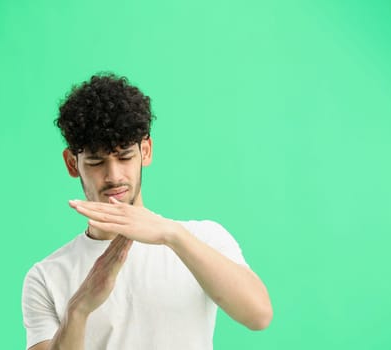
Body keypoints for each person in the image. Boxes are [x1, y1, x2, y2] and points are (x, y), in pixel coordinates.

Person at [21, 73, 273, 350]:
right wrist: (78, 310)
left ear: (146, 150)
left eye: (125, 156)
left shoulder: (202, 237)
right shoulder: (46, 276)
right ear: (72, 164)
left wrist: (172, 234)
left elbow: (258, 315)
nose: (113, 176)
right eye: (96, 162)